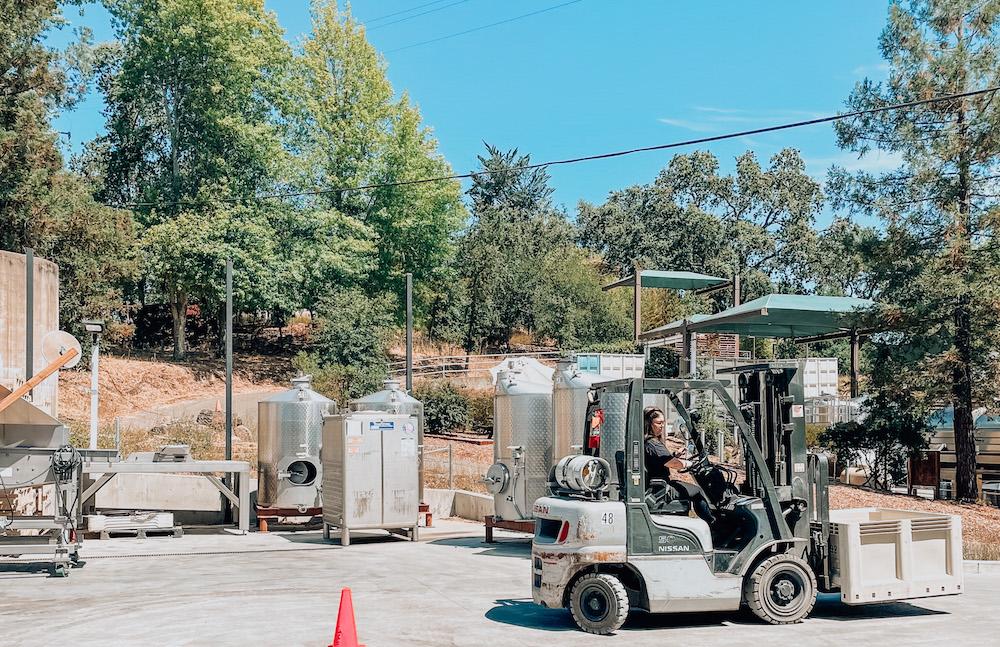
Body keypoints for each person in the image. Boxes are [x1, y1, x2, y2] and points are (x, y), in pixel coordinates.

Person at [643, 406, 716, 524]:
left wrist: (675, 455)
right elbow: (674, 464)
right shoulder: (653, 443)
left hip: (658, 484)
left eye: (663, 423)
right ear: (648, 423)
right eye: (658, 423)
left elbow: (661, 459)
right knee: (697, 491)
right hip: (659, 489)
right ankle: (713, 524)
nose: (662, 426)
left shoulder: (649, 442)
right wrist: (688, 463)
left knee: (687, 488)